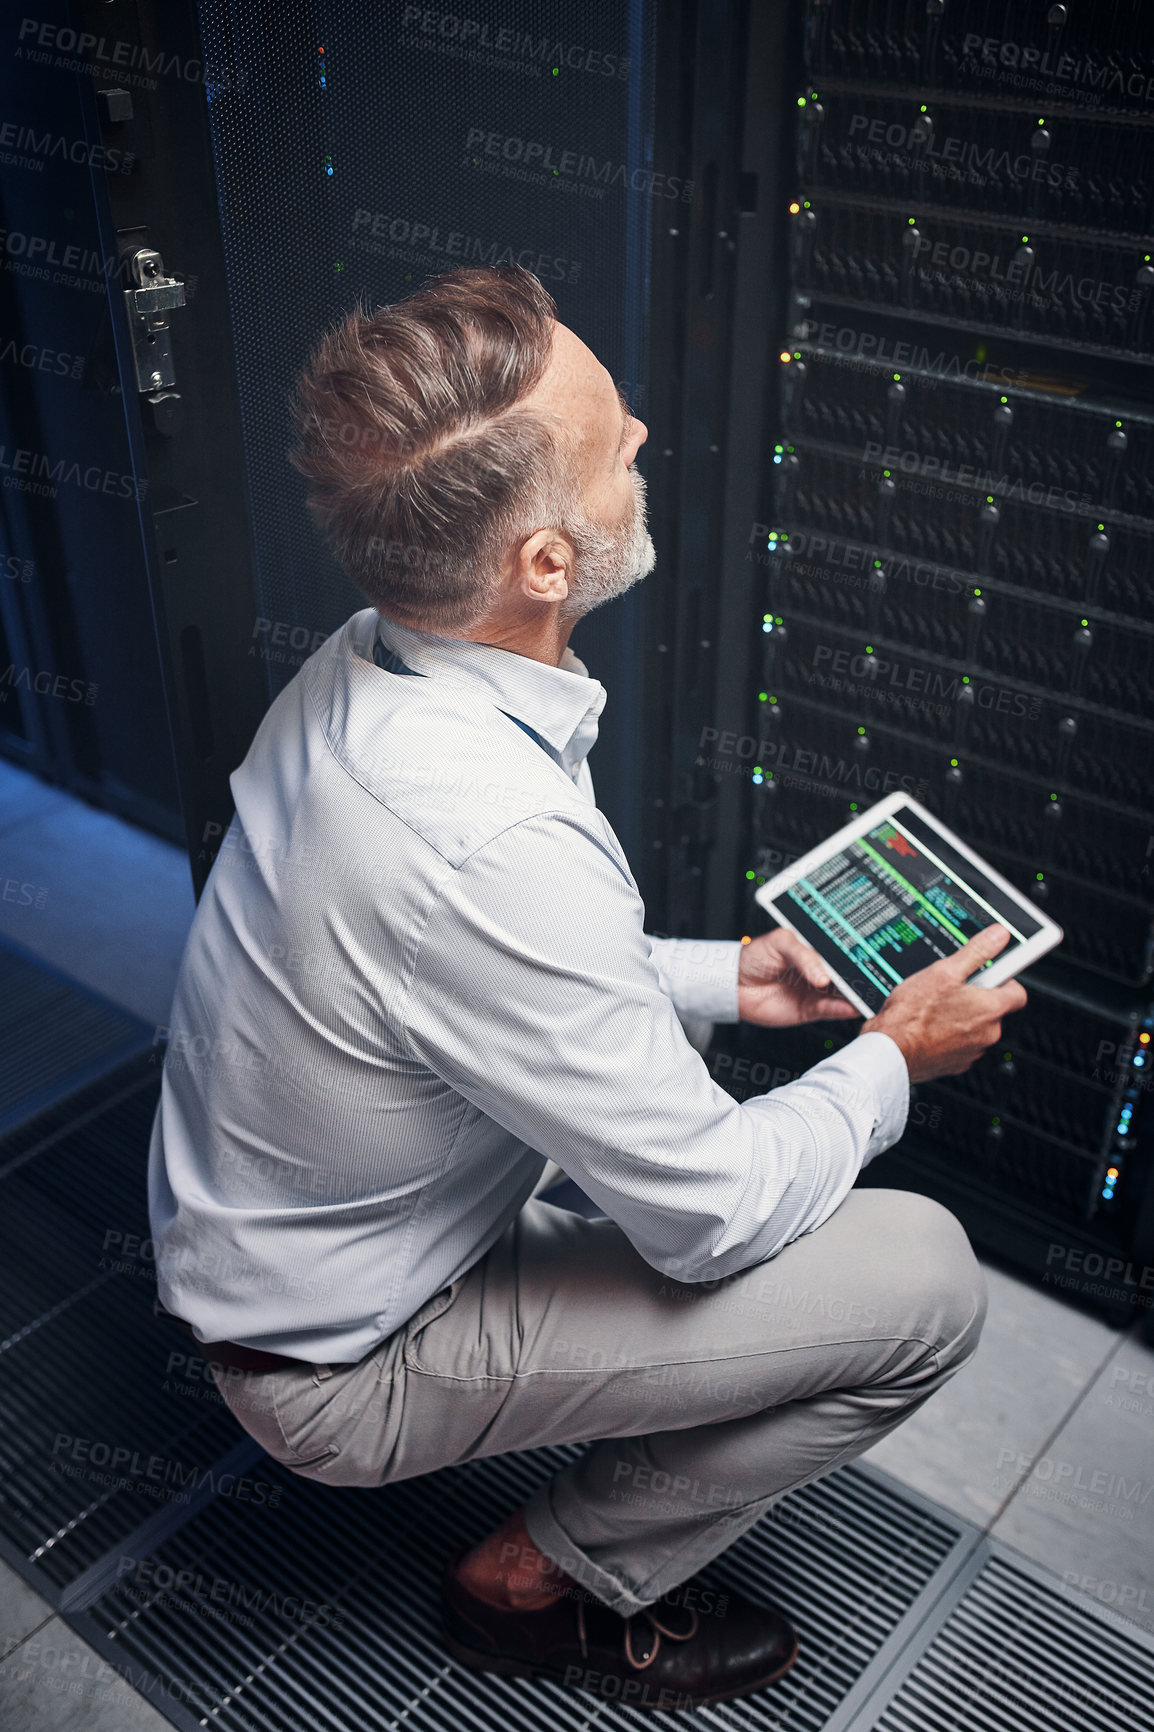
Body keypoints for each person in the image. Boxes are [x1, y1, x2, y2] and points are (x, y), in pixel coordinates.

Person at [148, 264, 1025, 1712]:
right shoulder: (488, 831)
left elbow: (458, 971)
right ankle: (534, 1585)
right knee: (925, 1282)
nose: (638, 444)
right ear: (542, 565)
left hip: (299, 1253)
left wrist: (726, 983)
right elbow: (710, 1218)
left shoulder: (370, 661)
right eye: (614, 432)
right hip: (337, 1359)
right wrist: (888, 1056)